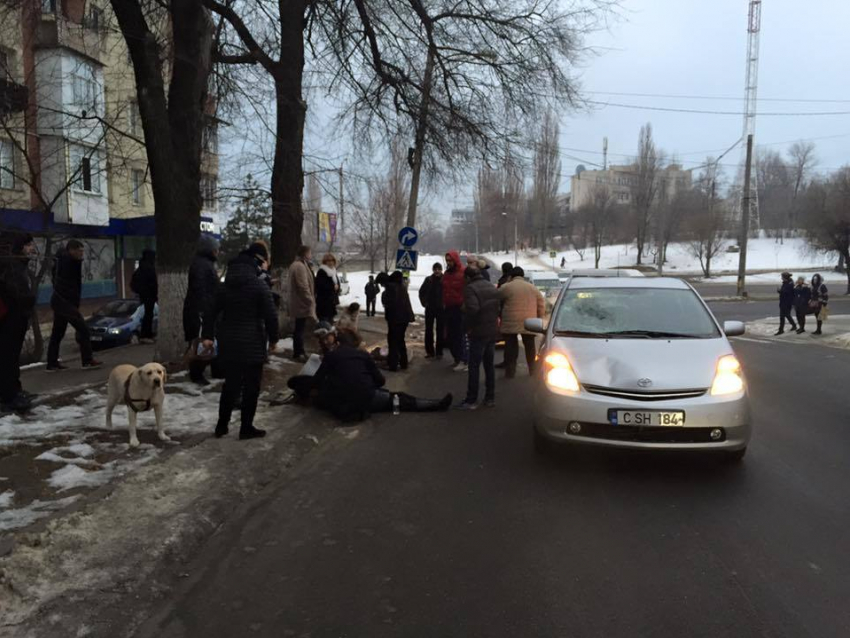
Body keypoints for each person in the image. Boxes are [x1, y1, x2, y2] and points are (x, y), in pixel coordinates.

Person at [204, 247, 279, 440]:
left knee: (231, 384)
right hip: (253, 341)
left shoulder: (224, 286)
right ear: (254, 264)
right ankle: (246, 427)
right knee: (251, 387)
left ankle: (221, 426)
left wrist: (208, 336)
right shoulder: (259, 286)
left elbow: (210, 312)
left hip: (229, 341)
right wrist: (274, 339)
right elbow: (271, 315)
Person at [312, 329, 451, 422]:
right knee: (399, 399)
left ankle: (436, 404)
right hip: (367, 397)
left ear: (337, 342)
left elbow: (316, 381)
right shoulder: (362, 355)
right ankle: (435, 404)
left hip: (341, 402)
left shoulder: (331, 356)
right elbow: (380, 380)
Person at [46, 239, 102, 371]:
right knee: (83, 329)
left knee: (58, 332)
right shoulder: (68, 262)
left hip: (61, 301)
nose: (81, 254)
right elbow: (70, 285)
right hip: (64, 302)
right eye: (79, 251)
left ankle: (52, 363)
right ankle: (87, 360)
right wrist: (72, 301)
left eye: (82, 251)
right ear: (72, 250)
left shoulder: (63, 261)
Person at [0, 232, 37, 412]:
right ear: (20, 246)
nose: (32, 248)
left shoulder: (15, 264)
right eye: (29, 244)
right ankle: (9, 396)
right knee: (8, 357)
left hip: (14, 317)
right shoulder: (12, 266)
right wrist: (30, 300)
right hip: (11, 318)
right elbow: (17, 293)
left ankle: (14, 391)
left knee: (11, 357)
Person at [457, 265, 500, 410]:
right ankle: (490, 397)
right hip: (491, 331)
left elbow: (473, 309)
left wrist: (466, 327)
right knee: (489, 365)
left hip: (478, 332)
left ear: (468, 277)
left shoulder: (470, 288)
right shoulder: (491, 286)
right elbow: (498, 308)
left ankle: (471, 399)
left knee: (474, 366)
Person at [182, 236, 220, 385]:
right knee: (201, 341)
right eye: (216, 249)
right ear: (209, 249)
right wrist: (205, 309)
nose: (218, 252)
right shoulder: (202, 265)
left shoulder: (204, 264)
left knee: (207, 340)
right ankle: (196, 374)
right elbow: (201, 289)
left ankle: (209, 370)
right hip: (200, 310)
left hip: (203, 308)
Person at [498, 267, 545, 378]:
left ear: (511, 276)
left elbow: (497, 300)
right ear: (523, 276)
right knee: (530, 347)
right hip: (529, 322)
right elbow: (541, 304)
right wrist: (538, 318)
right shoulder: (532, 288)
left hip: (510, 321)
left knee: (510, 348)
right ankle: (533, 371)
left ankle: (510, 372)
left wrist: (500, 315)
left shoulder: (506, 287)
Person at [380, 271, 414, 372]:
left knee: (393, 341)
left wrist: (384, 297)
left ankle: (393, 365)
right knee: (400, 340)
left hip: (395, 319)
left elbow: (389, 303)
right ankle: (404, 363)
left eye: (381, 284)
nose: (381, 286)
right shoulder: (401, 286)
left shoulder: (390, 288)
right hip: (404, 318)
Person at [288, 245, 316, 363]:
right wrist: (310, 299)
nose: (311, 255)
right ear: (304, 253)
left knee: (300, 328)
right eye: (309, 253)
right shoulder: (299, 266)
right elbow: (302, 285)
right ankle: (298, 352)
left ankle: (300, 351)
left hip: (300, 302)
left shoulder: (300, 264)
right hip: (301, 303)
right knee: (299, 329)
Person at [442, 250, 467, 371]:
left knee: (460, 335)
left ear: (455, 260)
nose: (448, 262)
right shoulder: (446, 274)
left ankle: (463, 360)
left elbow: (468, 290)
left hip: (460, 308)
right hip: (448, 307)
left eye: (450, 260)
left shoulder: (463, 273)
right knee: (450, 336)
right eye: (447, 260)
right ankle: (457, 358)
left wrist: (465, 304)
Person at [130, 249, 158, 343]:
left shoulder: (141, 267)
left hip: (145, 295)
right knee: (148, 315)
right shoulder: (149, 268)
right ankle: (146, 335)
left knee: (148, 314)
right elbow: (153, 282)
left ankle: (147, 335)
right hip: (149, 294)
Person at [419, 262, 445, 359]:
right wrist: (424, 302)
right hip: (430, 308)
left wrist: (445, 303)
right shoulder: (428, 280)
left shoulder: (445, 279)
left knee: (440, 330)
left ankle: (439, 352)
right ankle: (430, 351)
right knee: (428, 330)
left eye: (438, 269)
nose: (437, 271)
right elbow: (421, 291)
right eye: (435, 269)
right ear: (433, 270)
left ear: (441, 270)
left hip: (441, 308)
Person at [315, 253, 340, 323]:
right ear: (325, 262)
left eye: (332, 260)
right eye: (328, 261)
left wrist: (337, 287)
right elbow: (321, 285)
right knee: (325, 322)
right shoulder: (322, 271)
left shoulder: (333, 271)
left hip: (331, 301)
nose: (331, 262)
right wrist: (333, 287)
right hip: (324, 302)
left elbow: (337, 283)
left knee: (330, 322)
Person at [775, 271, 797, 336]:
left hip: (787, 302)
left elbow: (787, 293)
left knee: (782, 316)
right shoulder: (786, 283)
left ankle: (781, 330)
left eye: (782, 277)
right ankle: (794, 325)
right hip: (783, 302)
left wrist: (780, 291)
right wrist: (781, 291)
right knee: (787, 315)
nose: (781, 278)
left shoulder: (790, 284)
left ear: (785, 277)